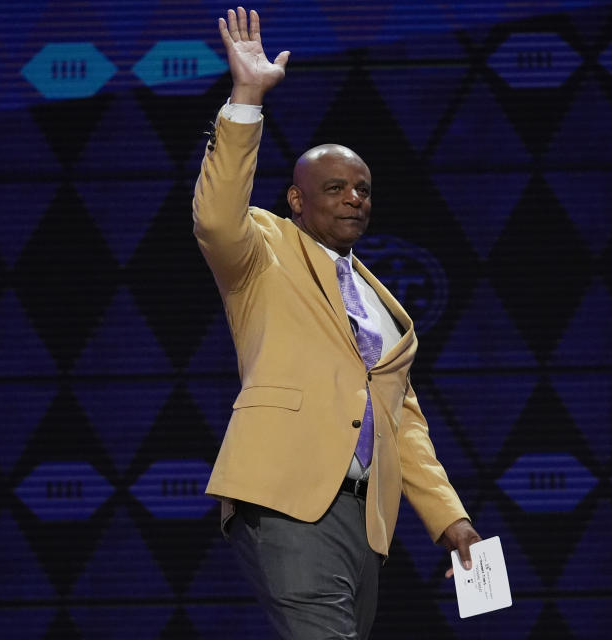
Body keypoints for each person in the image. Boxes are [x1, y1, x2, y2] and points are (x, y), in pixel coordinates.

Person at [193, 6, 481, 639]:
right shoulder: (264, 250)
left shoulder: (380, 303)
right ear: (296, 199)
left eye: (363, 188)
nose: (354, 197)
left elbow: (402, 418)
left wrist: (450, 519)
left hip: (364, 518)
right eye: (335, 188)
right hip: (284, 497)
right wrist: (245, 100)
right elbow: (215, 219)